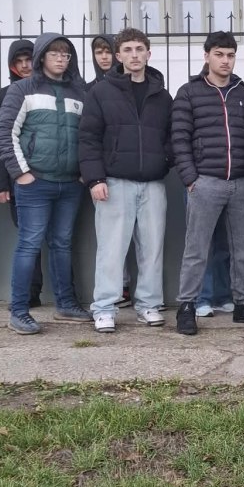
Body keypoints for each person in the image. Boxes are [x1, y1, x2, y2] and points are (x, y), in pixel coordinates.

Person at [0, 32, 90, 333]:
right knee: (29, 245)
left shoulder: (79, 93)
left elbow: (89, 134)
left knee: (62, 244)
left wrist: (83, 172)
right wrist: (21, 173)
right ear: (41, 57)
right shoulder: (22, 89)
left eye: (66, 54)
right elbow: (4, 132)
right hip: (34, 183)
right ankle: (19, 311)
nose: (61, 59)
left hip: (70, 184)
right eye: (55, 53)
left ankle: (66, 304)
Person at [79, 28, 172, 333]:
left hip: (153, 183)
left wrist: (165, 160)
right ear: (118, 56)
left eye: (139, 49)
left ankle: (148, 305)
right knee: (111, 249)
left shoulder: (161, 95)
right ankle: (104, 308)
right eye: (128, 50)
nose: (134, 55)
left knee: (152, 249)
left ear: (148, 53)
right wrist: (95, 178)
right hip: (114, 182)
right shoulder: (101, 92)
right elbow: (88, 138)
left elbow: (171, 135)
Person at [171, 31, 244, 336]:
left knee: (242, 250)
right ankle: (187, 306)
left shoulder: (243, 94)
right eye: (219, 54)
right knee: (196, 249)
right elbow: (179, 138)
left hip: (243, 183)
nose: (225, 61)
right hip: (206, 182)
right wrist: (191, 179)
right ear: (207, 56)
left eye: (230, 55)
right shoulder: (189, 92)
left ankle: (243, 304)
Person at [0, 38, 45, 309]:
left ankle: (65, 295)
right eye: (18, 62)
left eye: (28, 60)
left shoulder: (51, 90)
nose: (24, 66)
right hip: (18, 179)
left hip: (55, 177)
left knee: (59, 240)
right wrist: (0, 184)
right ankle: (30, 293)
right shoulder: (3, 96)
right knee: (28, 239)